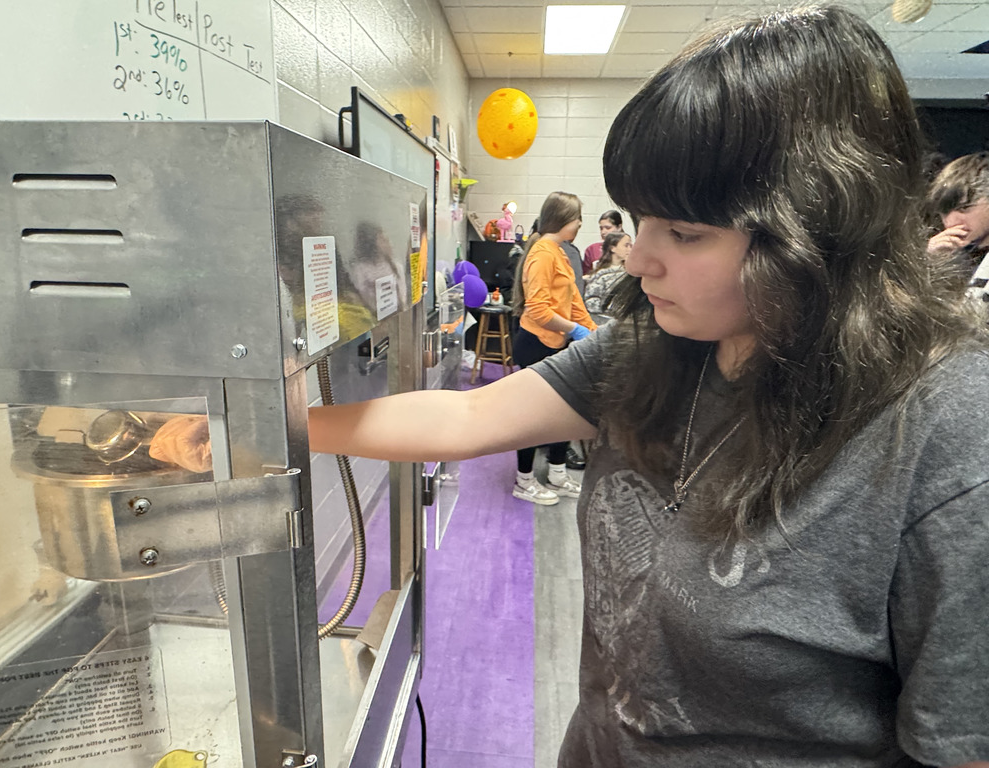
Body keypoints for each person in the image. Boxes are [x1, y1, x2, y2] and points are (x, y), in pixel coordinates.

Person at [152, 6, 989, 766]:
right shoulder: (661, 347)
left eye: (685, 232)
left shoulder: (945, 434)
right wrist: (278, 423)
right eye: (638, 221)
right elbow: (467, 414)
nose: (636, 256)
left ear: (817, 229)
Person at [507, 191, 597, 504]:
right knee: (533, 419)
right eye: (577, 219)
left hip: (557, 345)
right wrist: (573, 329)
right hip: (536, 345)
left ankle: (558, 474)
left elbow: (573, 300)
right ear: (562, 220)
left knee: (562, 414)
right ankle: (524, 480)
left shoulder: (559, 252)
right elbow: (539, 310)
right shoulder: (542, 253)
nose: (580, 224)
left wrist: (592, 332)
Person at [927, 152, 989, 321]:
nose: (951, 221)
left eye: (965, 208)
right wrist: (928, 263)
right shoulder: (950, 256)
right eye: (944, 212)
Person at [582, 229, 632, 319]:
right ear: (613, 248)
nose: (629, 249)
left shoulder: (632, 274)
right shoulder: (600, 276)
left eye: (630, 246)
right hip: (606, 321)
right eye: (626, 245)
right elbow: (591, 301)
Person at [582, 210, 624, 275]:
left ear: (619, 227)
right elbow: (586, 274)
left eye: (608, 228)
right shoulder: (592, 249)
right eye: (601, 228)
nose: (603, 232)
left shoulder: (628, 249)